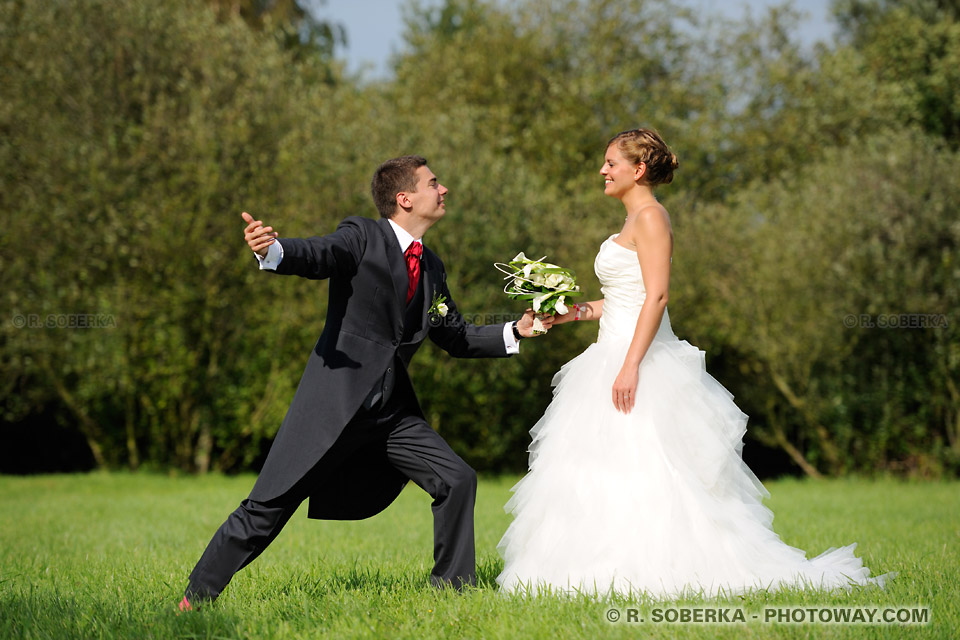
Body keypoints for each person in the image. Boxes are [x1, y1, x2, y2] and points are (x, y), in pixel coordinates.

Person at [495, 129, 890, 598]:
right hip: (608, 354)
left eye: (610, 163)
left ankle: (661, 569)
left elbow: (658, 296)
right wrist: (573, 312)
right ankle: (593, 569)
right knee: (599, 469)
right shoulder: (628, 224)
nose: (602, 170)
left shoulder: (651, 217)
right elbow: (624, 300)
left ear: (637, 170)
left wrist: (631, 365)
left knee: (652, 466)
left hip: (638, 360)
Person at [180, 155, 551, 610]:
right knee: (266, 509)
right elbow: (319, 254)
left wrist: (516, 330)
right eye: (434, 183)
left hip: (391, 414)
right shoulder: (361, 236)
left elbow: (453, 335)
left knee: (456, 479)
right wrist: (271, 251)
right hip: (333, 407)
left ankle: (453, 594)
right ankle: (194, 601)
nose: (444, 189)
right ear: (405, 198)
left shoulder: (432, 266)